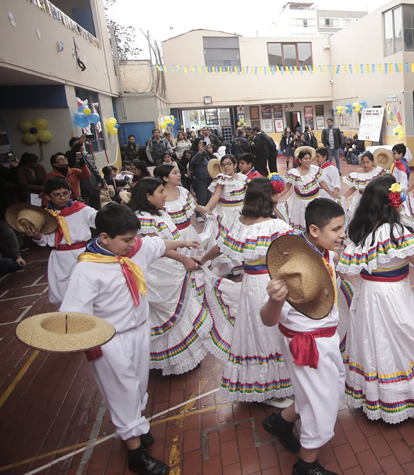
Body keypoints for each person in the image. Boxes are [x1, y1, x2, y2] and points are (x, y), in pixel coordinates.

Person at [59, 203, 197, 475]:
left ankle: (135, 425)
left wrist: (184, 241)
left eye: (134, 238)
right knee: (121, 390)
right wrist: (83, 342)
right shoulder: (87, 270)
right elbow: (74, 316)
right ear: (104, 238)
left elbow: (156, 243)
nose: (132, 244)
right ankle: (136, 455)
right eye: (125, 240)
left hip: (138, 331)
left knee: (137, 385)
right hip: (110, 340)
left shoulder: (133, 249)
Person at [337, 175, 414, 423]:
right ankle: (401, 398)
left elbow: (345, 269)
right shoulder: (395, 231)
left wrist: (363, 286)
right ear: (391, 201)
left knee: (374, 340)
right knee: (398, 340)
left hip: (368, 294)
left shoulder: (360, 229)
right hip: (392, 295)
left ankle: (376, 398)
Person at [260, 198, 347, 475]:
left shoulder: (326, 253)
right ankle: (306, 466)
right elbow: (267, 319)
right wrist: (274, 300)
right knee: (322, 402)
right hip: (307, 343)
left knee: (325, 390)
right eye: (336, 229)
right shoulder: (293, 269)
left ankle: (281, 422)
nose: (342, 234)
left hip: (324, 337)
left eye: (342, 227)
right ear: (314, 230)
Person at [196, 177, 295, 405]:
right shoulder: (277, 226)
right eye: (274, 194)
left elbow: (220, 247)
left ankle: (265, 385)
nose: (277, 198)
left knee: (255, 330)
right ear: (267, 198)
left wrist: (201, 259)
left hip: (250, 284)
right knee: (272, 332)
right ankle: (272, 389)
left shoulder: (241, 222)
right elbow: (295, 253)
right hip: (272, 283)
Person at [127, 177, 212, 375]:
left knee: (181, 310)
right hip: (159, 272)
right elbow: (156, 248)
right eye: (159, 192)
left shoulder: (159, 212)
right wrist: (183, 259)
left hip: (170, 268)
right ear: (148, 197)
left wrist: (185, 246)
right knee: (168, 312)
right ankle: (170, 362)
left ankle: (186, 356)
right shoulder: (143, 218)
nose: (164, 195)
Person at [25, 178, 97, 304]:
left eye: (65, 193)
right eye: (56, 195)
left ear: (70, 192)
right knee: (61, 293)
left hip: (82, 253)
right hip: (59, 257)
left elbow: (98, 219)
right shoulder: (45, 216)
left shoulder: (81, 209)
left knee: (86, 287)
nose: (62, 197)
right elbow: (44, 240)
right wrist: (36, 236)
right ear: (48, 196)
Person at [277, 148, 334, 233]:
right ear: (300, 160)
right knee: (301, 222)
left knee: (314, 222)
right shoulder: (294, 173)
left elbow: (322, 183)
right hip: (299, 203)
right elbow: (287, 188)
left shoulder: (315, 170)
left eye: (309, 158)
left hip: (314, 201)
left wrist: (332, 193)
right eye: (305, 159)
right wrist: (277, 197)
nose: (308, 161)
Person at [205, 154, 248, 232]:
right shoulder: (222, 178)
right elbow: (216, 195)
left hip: (242, 212)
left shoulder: (243, 178)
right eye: (223, 165)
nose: (226, 167)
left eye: (228, 164)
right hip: (226, 213)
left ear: (235, 165)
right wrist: (206, 208)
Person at [340, 152, 385, 225]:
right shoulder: (358, 173)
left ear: (372, 162)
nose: (365, 164)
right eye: (363, 162)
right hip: (361, 199)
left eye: (368, 162)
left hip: (374, 199)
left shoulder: (378, 171)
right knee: (359, 218)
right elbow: (355, 187)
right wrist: (343, 196)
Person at [190, 142, 216, 217]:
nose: (202, 145)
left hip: (209, 178)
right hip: (200, 178)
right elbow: (193, 162)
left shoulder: (207, 153)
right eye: (200, 143)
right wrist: (200, 152)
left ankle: (206, 212)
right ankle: (198, 214)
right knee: (202, 197)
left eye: (203, 143)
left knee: (208, 196)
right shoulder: (195, 153)